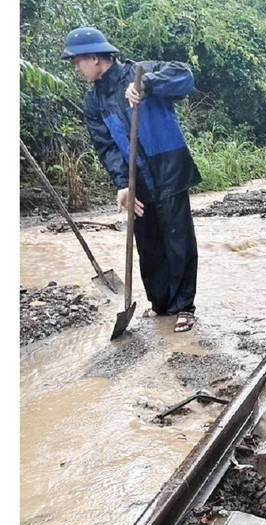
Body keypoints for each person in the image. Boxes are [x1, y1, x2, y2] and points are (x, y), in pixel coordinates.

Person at [62, 27, 201, 332]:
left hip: (168, 169)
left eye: (77, 61)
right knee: (147, 242)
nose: (76, 67)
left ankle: (184, 307)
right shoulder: (93, 101)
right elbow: (106, 147)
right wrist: (122, 183)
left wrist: (146, 85)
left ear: (95, 57)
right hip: (136, 178)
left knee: (177, 239)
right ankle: (160, 303)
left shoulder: (140, 72)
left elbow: (185, 77)